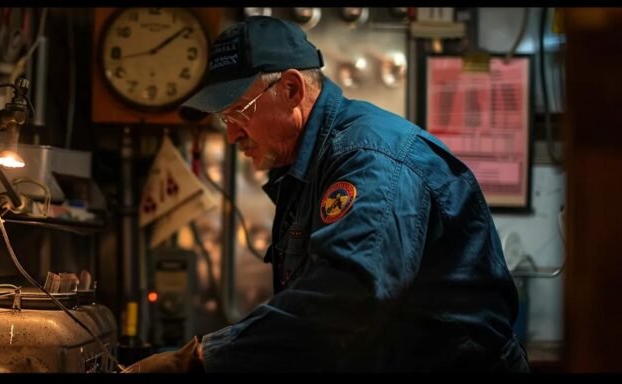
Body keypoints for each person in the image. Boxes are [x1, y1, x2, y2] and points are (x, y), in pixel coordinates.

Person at [124, 16, 529, 372]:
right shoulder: (309, 168)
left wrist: (202, 360)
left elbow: (345, 299)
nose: (231, 134)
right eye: (223, 119)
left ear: (291, 90)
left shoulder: (368, 159)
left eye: (238, 114)